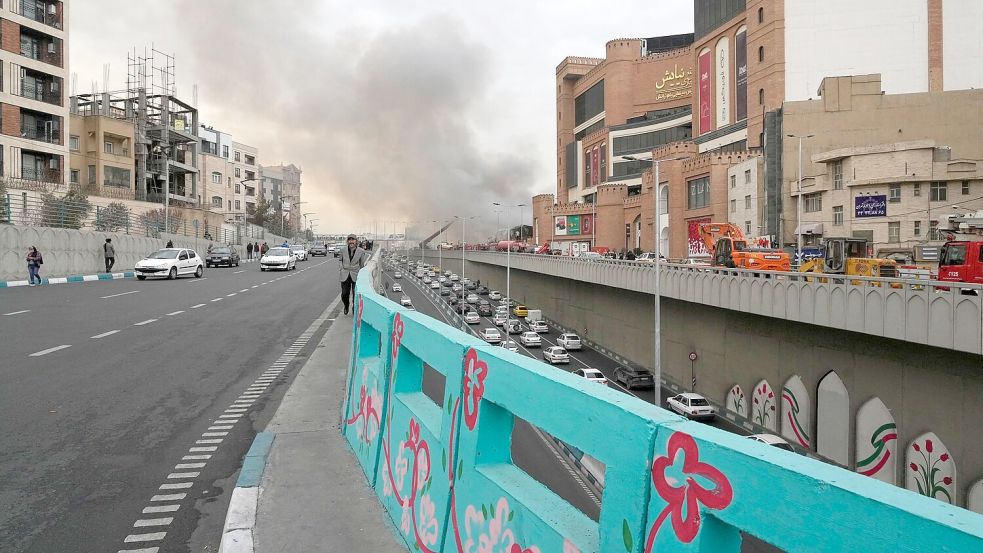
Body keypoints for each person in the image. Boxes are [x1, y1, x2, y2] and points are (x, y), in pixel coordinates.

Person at [339, 234, 369, 315]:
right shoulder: (343, 250)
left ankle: (354, 308)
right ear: (347, 241)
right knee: (344, 294)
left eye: (353, 240)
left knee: (355, 294)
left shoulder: (361, 251)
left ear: (356, 241)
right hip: (345, 274)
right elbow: (340, 260)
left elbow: (362, 264)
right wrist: (341, 269)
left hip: (356, 274)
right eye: (349, 240)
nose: (351, 241)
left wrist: (362, 276)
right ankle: (346, 305)